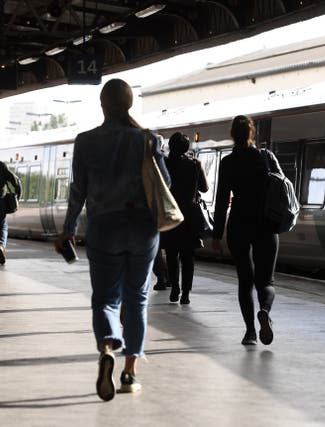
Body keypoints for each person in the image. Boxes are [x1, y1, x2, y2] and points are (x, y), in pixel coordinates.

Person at [54, 78, 169, 401]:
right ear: (130, 104)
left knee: (105, 299)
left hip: (104, 225)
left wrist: (68, 229)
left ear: (103, 105)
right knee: (137, 299)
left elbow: (78, 191)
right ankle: (130, 373)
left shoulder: (86, 141)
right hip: (143, 227)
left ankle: (107, 346)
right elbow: (166, 183)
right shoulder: (147, 139)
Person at [211, 115, 280, 346]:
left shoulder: (228, 162)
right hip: (265, 223)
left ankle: (250, 332)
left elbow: (222, 200)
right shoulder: (265, 157)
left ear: (233, 134)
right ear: (252, 133)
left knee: (245, 280)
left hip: (239, 224)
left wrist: (216, 233)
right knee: (266, 282)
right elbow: (282, 186)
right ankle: (265, 311)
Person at [160, 132, 209, 305]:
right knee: (188, 256)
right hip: (189, 216)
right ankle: (186, 294)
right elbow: (204, 188)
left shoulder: (164, 164)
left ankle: (175, 288)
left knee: (172, 254)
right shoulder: (195, 164)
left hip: (170, 215)